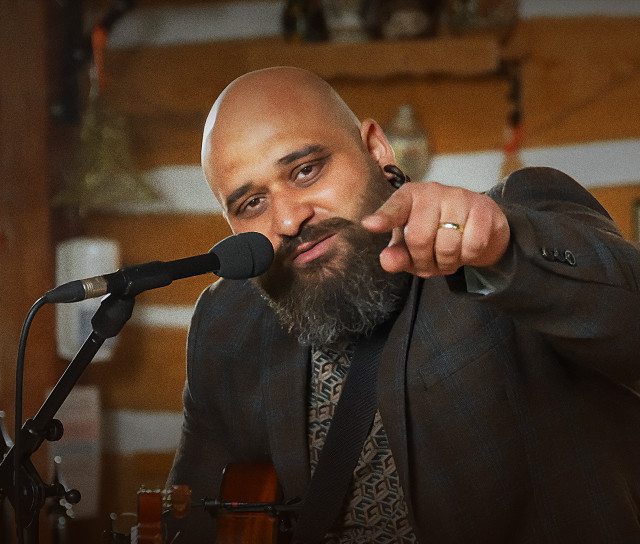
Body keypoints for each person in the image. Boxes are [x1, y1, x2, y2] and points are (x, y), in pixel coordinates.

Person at [166, 66, 640, 543]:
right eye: (251, 203)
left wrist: (504, 249)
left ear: (376, 149)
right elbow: (190, 518)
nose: (289, 219)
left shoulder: (499, 232)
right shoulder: (226, 322)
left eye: (306, 170)